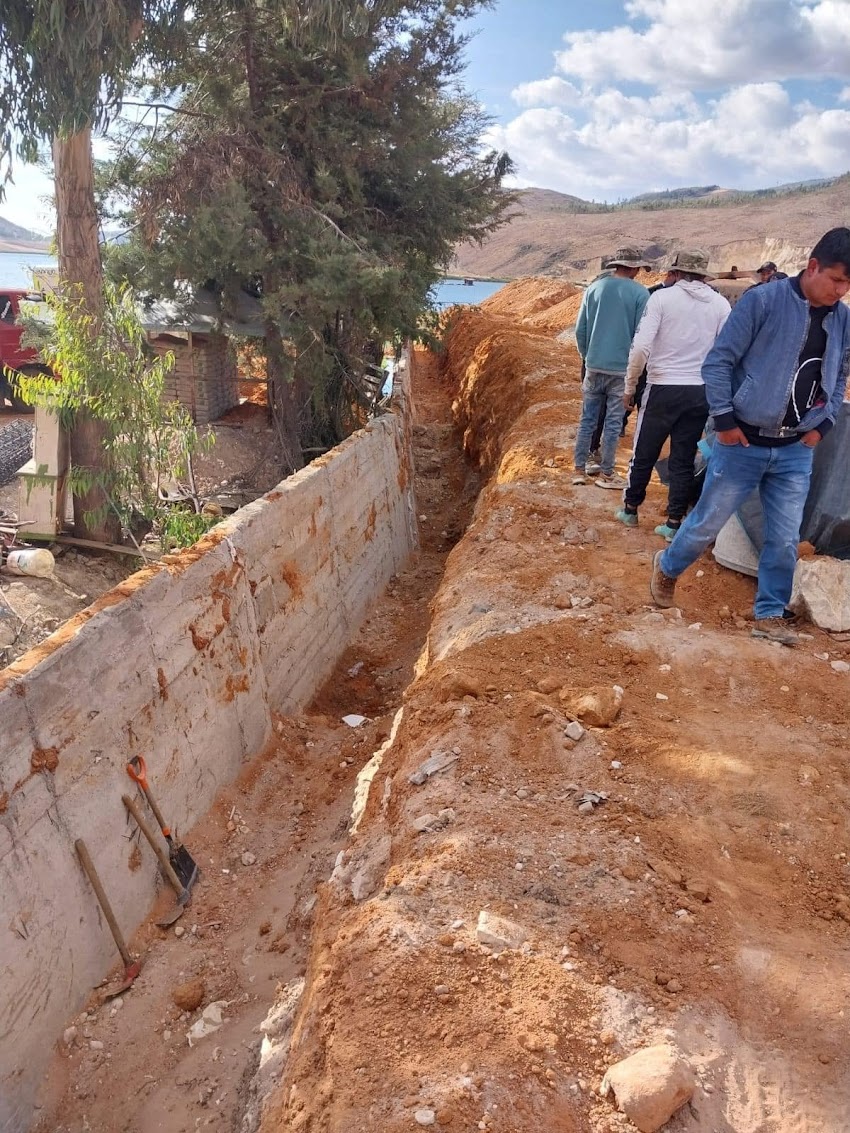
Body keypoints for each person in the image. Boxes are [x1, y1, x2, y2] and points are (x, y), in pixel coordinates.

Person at [650, 227, 850, 646]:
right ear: (813, 266)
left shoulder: (842, 317)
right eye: (837, 280)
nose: (842, 291)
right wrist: (723, 420)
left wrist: (825, 424)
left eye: (848, 284)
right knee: (707, 522)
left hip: (795, 447)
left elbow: (840, 370)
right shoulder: (763, 301)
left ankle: (769, 614)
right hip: (742, 443)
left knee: (783, 536)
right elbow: (719, 362)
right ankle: (667, 566)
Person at [615, 250, 731, 537]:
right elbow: (726, 352)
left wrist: (630, 387)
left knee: (644, 450)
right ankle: (674, 522)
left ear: (676, 273)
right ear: (704, 276)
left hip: (662, 386)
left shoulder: (662, 299)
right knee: (682, 456)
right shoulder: (720, 305)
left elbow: (641, 348)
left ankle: (630, 509)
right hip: (699, 392)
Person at [573, 246, 650, 489]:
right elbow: (641, 337)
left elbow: (580, 330)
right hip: (622, 370)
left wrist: (588, 357)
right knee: (613, 423)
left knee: (587, 420)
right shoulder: (641, 294)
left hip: (594, 365)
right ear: (634, 268)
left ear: (616, 265)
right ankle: (607, 473)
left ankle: (578, 469)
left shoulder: (593, 289)